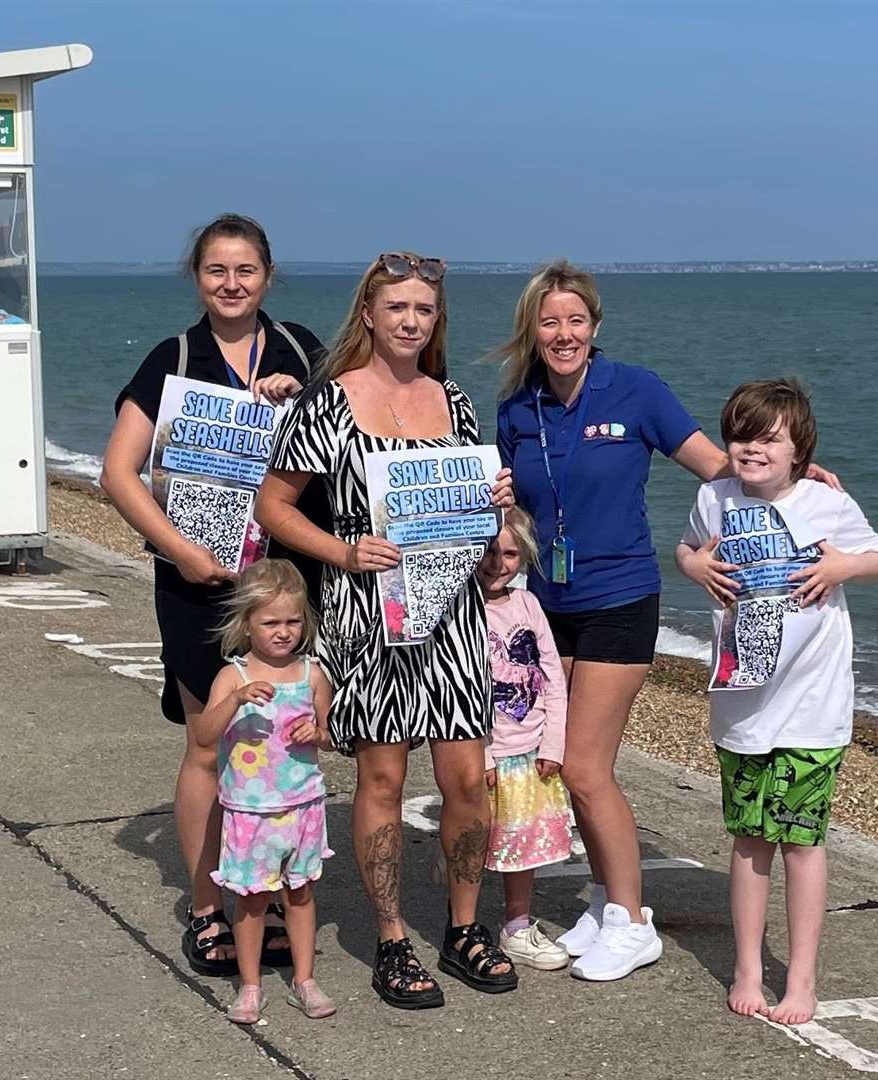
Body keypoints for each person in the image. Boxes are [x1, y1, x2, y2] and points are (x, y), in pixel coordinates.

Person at [492, 261, 842, 982]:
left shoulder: (635, 389)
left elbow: (717, 466)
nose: (562, 334)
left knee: (587, 768)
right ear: (533, 328)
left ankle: (629, 918)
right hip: (545, 605)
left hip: (620, 597)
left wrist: (795, 479)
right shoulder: (516, 408)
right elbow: (508, 504)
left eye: (575, 320)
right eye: (549, 321)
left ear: (594, 326)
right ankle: (599, 900)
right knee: (559, 763)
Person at [257, 252, 519, 1009]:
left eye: (424, 310)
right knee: (382, 778)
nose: (410, 321)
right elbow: (275, 507)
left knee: (467, 780)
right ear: (367, 314)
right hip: (369, 613)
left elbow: (475, 512)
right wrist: (342, 551)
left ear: (436, 321)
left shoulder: (457, 402)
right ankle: (392, 938)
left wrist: (496, 496)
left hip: (452, 614)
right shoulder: (327, 403)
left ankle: (466, 929)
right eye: (396, 307)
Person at [102, 214, 325, 979]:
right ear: (196, 278)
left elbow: (345, 440)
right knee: (210, 744)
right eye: (216, 271)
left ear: (268, 274)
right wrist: (180, 551)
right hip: (199, 582)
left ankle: (264, 893)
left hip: (285, 584)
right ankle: (206, 906)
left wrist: (299, 399)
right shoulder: (174, 359)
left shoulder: (299, 348)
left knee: (280, 737)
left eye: (245, 271)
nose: (231, 284)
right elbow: (118, 474)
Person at [675, 377, 878, 1024]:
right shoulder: (712, 497)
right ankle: (745, 966)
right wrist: (692, 567)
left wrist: (838, 569)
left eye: (768, 438)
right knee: (747, 840)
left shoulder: (824, 501)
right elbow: (686, 546)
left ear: (799, 449)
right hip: (741, 701)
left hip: (813, 704)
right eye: (740, 436)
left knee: (802, 841)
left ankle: (799, 978)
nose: (751, 449)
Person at [196, 559, 337, 1024]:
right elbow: (204, 736)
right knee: (251, 899)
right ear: (247, 624)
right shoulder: (232, 676)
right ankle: (250, 985)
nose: (283, 632)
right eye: (270, 622)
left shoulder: (312, 674)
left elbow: (331, 736)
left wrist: (315, 735)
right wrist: (235, 700)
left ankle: (305, 978)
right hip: (250, 810)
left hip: (301, 805)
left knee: (300, 894)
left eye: (293, 621)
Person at [477, 506, 571, 970]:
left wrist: (553, 744)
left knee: (521, 846)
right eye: (489, 550)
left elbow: (552, 676)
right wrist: (483, 753)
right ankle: (466, 923)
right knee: (477, 839)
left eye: (510, 553)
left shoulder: (529, 604)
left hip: (530, 750)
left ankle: (517, 923)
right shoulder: (462, 609)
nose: (499, 562)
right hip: (484, 750)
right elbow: (455, 690)